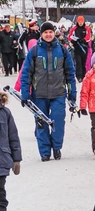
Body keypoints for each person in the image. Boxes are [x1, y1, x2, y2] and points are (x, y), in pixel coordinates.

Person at [20, 22, 77, 161]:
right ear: (42, 34)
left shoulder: (62, 50)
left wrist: (72, 94)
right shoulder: (34, 51)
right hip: (39, 94)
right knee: (41, 123)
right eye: (45, 32)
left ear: (54, 33)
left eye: (50, 32)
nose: (48, 34)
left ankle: (56, 147)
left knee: (58, 121)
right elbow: (26, 73)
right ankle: (45, 151)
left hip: (58, 93)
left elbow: (70, 73)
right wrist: (25, 94)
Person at [0, 89, 22, 211]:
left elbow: (13, 136)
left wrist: (16, 159)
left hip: (1, 160)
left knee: (0, 192)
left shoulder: (5, 113)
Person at [68, 16, 91, 82]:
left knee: (83, 62)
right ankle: (79, 76)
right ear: (77, 22)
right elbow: (70, 37)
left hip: (84, 47)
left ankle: (84, 75)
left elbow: (88, 37)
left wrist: (83, 40)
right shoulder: (74, 28)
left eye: (82, 22)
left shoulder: (86, 28)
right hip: (77, 47)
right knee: (78, 62)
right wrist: (73, 41)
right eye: (79, 22)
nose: (80, 23)